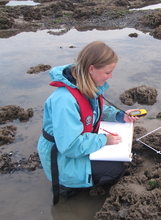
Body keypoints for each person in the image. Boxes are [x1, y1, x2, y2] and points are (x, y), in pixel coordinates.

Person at [37, 41, 140, 205]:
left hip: (73, 147)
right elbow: (69, 146)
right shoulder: (64, 101)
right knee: (116, 170)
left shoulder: (84, 84)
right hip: (62, 159)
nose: (110, 76)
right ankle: (68, 187)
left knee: (121, 160)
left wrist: (120, 116)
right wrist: (103, 139)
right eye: (108, 72)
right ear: (91, 69)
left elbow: (94, 110)